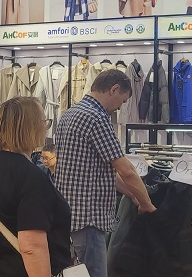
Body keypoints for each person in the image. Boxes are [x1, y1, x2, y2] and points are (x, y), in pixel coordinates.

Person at [55, 69, 156, 277]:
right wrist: (147, 204)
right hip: (88, 220)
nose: (120, 107)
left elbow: (102, 172)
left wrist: (133, 196)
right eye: (123, 101)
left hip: (67, 216)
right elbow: (126, 170)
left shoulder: (70, 114)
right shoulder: (97, 117)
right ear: (114, 89)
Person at [0, 97, 72, 277]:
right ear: (32, 127)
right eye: (44, 121)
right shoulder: (30, 176)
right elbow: (32, 247)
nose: (46, 127)